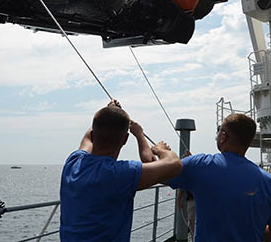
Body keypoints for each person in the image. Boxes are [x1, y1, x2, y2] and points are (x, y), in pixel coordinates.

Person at [59, 100, 182, 241]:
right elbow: (174, 164)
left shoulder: (74, 161)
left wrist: (109, 111)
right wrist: (156, 146)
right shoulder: (121, 174)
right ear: (125, 139)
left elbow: (89, 136)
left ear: (93, 135)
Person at [168, 113, 271, 242]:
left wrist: (162, 151)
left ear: (223, 136)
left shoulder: (200, 164)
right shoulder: (269, 182)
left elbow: (160, 174)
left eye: (219, 131)